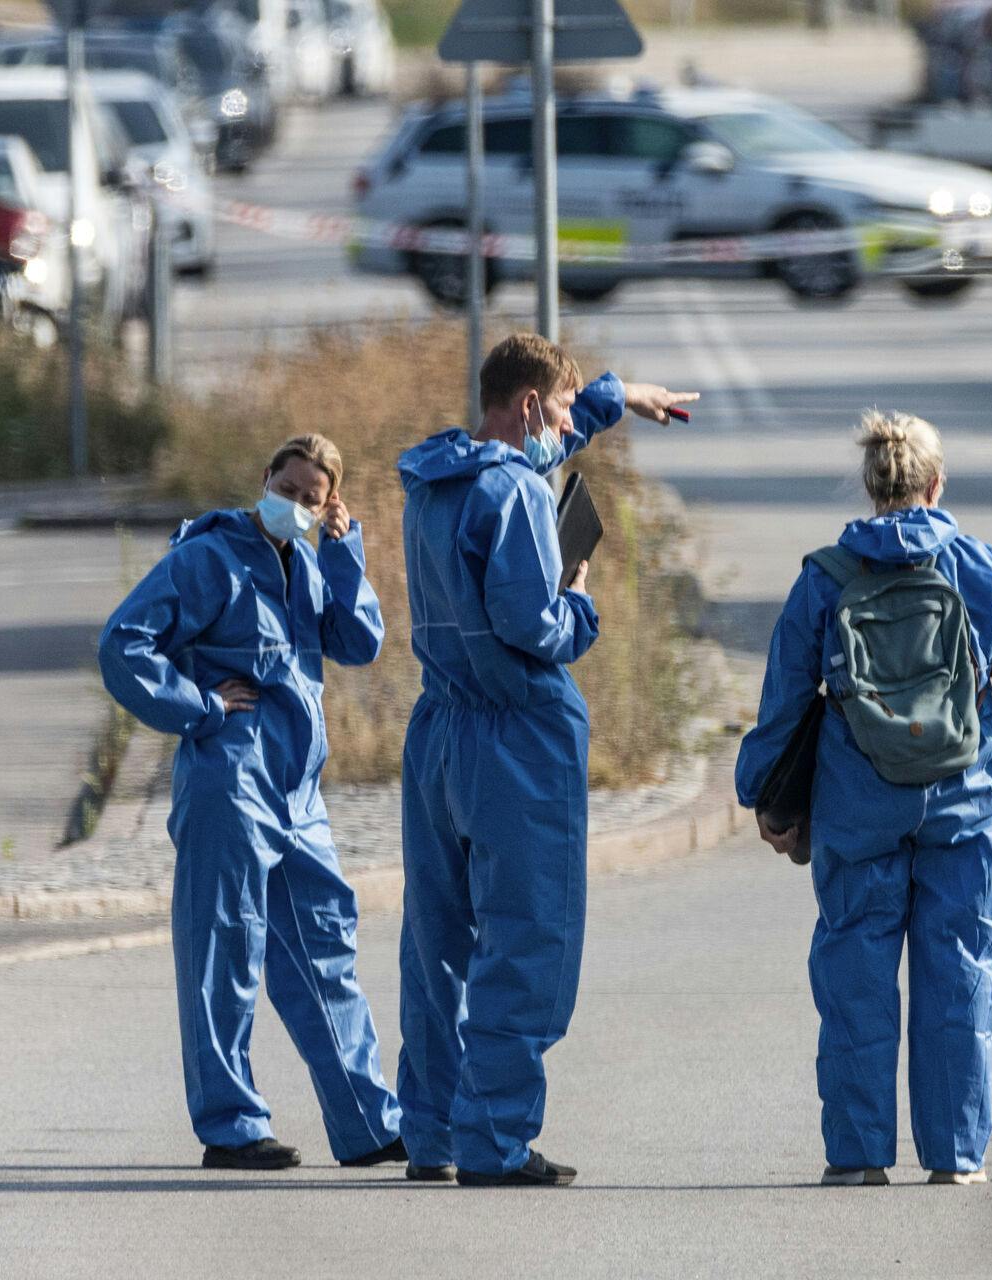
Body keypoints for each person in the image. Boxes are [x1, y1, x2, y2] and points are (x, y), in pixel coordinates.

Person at [735, 411, 992, 1187]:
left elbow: (784, 697)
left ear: (870, 485)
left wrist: (762, 793)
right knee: (959, 974)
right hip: (963, 803)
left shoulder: (825, 576)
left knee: (855, 975)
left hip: (859, 808)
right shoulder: (978, 566)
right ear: (936, 482)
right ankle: (955, 1155)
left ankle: (857, 1154)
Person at [394, 333, 698, 1187]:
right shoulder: (517, 496)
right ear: (527, 404)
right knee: (527, 939)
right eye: (559, 409)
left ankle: (433, 1132)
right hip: (517, 734)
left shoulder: (434, 482)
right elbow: (535, 628)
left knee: (437, 941)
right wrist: (579, 600)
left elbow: (537, 453)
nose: (562, 428)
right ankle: (495, 1140)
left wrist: (612, 395)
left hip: (441, 729)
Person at [98, 434, 404, 1171]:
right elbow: (124, 643)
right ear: (264, 478)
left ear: (329, 505)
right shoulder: (210, 557)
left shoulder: (314, 561)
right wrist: (199, 705)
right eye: (287, 486)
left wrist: (343, 550)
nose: (294, 503)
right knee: (224, 950)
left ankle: (368, 1122)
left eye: (311, 497)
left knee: (326, 949)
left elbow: (358, 643)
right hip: (229, 780)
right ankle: (231, 1126)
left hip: (298, 790)